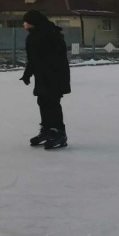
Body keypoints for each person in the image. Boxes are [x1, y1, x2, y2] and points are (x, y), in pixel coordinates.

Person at [20, 10, 71, 149]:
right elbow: (33, 58)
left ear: (34, 22)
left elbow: (57, 57)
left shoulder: (51, 34)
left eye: (27, 22)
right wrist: (27, 73)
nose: (24, 24)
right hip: (42, 75)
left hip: (55, 75)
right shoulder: (32, 37)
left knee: (52, 101)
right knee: (42, 100)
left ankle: (59, 132)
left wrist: (49, 70)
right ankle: (47, 129)